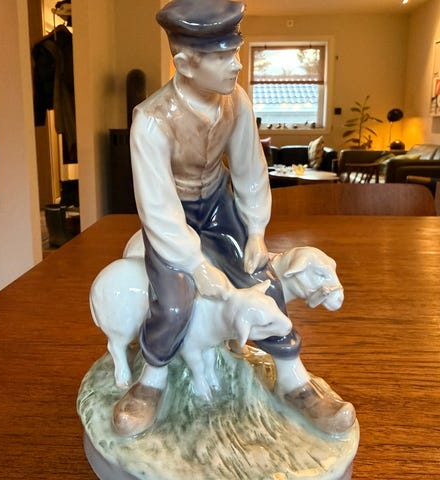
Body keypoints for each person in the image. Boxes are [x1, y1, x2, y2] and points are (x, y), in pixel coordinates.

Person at [113, 0, 355, 437]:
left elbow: (249, 169)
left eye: (236, 51)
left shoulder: (235, 101)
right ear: (185, 64)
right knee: (175, 300)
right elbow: (158, 207)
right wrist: (196, 266)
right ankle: (151, 381)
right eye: (222, 56)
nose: (237, 64)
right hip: (173, 217)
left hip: (217, 204)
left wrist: (256, 231)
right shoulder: (150, 121)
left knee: (263, 279)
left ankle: (294, 381)